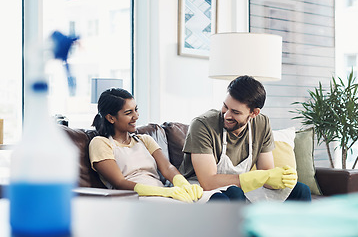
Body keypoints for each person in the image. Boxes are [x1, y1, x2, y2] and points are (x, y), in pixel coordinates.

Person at [89, 88, 245, 203]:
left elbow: (167, 168)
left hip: (163, 192)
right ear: (111, 118)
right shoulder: (101, 143)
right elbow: (119, 182)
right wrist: (163, 193)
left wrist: (182, 184)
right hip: (137, 198)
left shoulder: (144, 140)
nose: (136, 116)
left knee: (234, 193)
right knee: (219, 202)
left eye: (136, 109)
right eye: (128, 112)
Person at [179, 76, 311, 202]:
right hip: (199, 187)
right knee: (235, 193)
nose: (226, 115)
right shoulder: (203, 125)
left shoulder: (262, 123)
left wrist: (281, 178)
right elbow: (208, 182)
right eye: (225, 106)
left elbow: (266, 174)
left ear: (254, 113)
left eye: (235, 112)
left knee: (301, 190)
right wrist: (258, 178)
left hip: (240, 186)